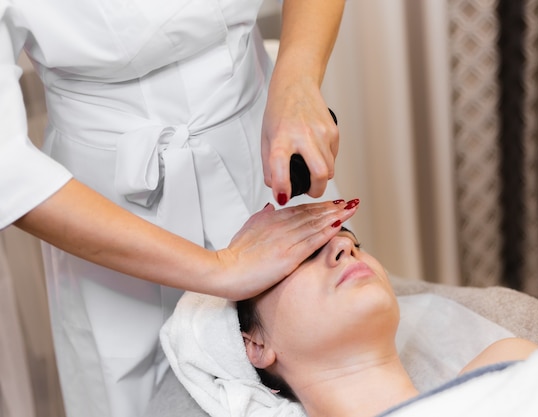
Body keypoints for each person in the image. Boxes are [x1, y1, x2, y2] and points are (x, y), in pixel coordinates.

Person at [0, 0, 349, 415]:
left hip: (262, 150)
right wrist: (222, 269)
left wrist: (297, 81)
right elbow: (7, 169)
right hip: (106, 219)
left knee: (331, 371)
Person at [237, 227, 538, 417]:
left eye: (354, 241)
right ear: (257, 345)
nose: (345, 247)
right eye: (301, 256)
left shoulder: (506, 365)